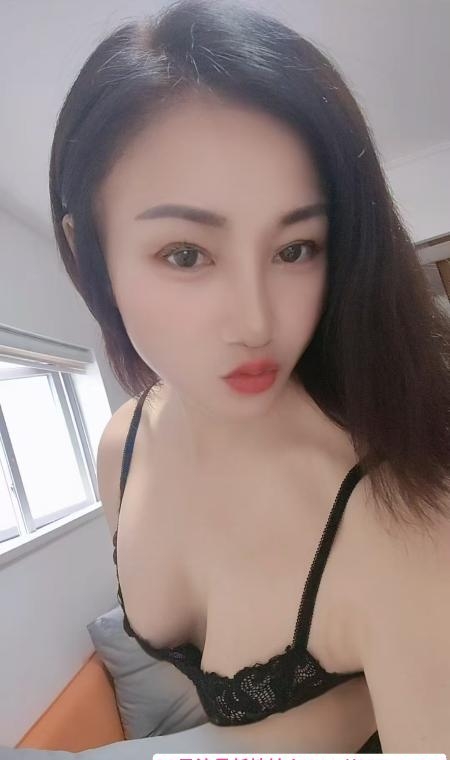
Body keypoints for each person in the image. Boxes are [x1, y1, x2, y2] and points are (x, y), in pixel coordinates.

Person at [46, 0, 450, 754]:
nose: (257, 322)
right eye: (187, 254)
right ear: (87, 252)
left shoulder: (401, 522)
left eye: (295, 249)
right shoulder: (120, 448)